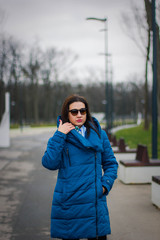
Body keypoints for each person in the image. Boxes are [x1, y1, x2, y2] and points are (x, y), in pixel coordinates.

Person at [42, 94, 118, 240]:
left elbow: (111, 163)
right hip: (69, 202)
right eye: (74, 111)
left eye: (83, 111)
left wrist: (104, 186)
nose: (79, 115)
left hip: (94, 202)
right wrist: (59, 134)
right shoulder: (61, 136)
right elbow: (49, 163)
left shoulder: (99, 134)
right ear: (67, 113)